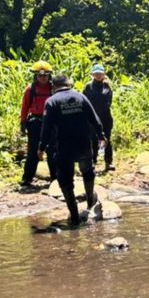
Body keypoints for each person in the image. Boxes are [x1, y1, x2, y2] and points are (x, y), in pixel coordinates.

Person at [38, 75, 106, 226]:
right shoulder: (81, 97)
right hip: (83, 144)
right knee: (88, 171)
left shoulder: (51, 101)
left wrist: (41, 147)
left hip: (64, 147)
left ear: (53, 87)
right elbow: (94, 118)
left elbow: (46, 127)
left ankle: (74, 216)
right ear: (68, 84)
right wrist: (101, 135)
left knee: (65, 180)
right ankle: (90, 201)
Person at [20, 60, 57, 187]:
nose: (43, 78)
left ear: (49, 75)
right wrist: (23, 122)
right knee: (32, 152)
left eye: (45, 75)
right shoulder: (30, 90)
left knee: (52, 150)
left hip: (52, 122)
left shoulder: (54, 89)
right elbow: (25, 107)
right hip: (35, 122)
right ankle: (27, 178)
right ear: (36, 76)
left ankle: (55, 178)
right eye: (40, 75)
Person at [82, 64, 114, 172]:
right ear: (92, 74)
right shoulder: (88, 87)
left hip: (106, 117)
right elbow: (84, 102)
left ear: (103, 75)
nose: (98, 76)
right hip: (91, 118)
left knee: (107, 139)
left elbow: (109, 102)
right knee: (93, 140)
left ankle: (108, 162)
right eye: (96, 74)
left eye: (100, 73)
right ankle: (92, 162)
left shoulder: (107, 86)